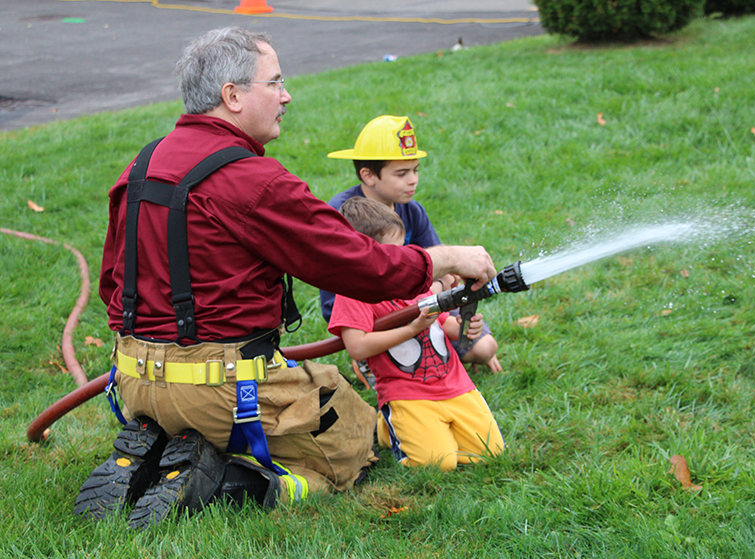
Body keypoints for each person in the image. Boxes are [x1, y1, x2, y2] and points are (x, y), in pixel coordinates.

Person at [74, 27, 497, 529]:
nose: (287, 95)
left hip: (136, 382)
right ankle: (223, 483)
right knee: (353, 440)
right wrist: (444, 259)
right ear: (232, 96)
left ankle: (159, 449)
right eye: (274, 82)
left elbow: (110, 284)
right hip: (224, 389)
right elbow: (359, 264)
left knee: (278, 401)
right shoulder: (255, 181)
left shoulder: (139, 166)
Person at [320, 115, 502, 380]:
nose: (413, 180)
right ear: (368, 175)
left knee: (486, 347)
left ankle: (436, 347)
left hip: (418, 300)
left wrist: (442, 290)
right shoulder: (342, 214)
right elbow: (339, 295)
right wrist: (436, 289)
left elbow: (446, 272)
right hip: (369, 312)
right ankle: (369, 358)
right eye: (402, 173)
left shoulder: (412, 209)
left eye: (415, 170)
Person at [328, 197, 504, 471]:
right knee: (437, 464)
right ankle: (390, 425)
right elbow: (357, 347)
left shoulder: (411, 280)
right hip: (406, 391)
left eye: (401, 252)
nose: (399, 262)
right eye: (390, 254)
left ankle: (419, 428)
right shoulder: (353, 294)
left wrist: (466, 327)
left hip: (454, 384)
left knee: (489, 453)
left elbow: (444, 325)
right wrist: (412, 329)